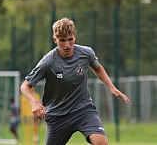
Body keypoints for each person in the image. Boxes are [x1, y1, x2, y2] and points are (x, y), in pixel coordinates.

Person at [20, 17, 130, 145]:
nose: (67, 45)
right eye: (62, 40)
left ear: (75, 36)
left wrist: (112, 87)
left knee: (102, 143)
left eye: (70, 39)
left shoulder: (86, 53)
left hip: (83, 110)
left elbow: (98, 68)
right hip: (57, 115)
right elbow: (25, 86)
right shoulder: (48, 61)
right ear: (55, 39)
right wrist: (34, 102)